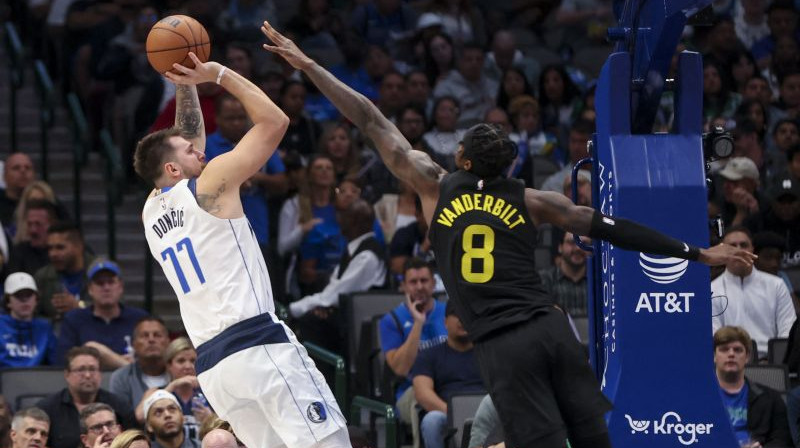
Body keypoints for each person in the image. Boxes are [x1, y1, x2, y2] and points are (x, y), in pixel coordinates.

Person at [260, 22, 757, 448]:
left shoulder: (431, 184)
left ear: (461, 161)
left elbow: (369, 117)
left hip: (501, 342)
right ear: (511, 165)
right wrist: (696, 251)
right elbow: (615, 229)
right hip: (550, 328)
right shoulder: (536, 201)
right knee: (594, 437)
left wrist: (308, 65)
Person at [134, 52, 349, 448]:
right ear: (173, 170)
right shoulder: (209, 184)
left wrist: (185, 79)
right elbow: (275, 122)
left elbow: (184, 136)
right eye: (190, 152)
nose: (202, 151)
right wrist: (215, 74)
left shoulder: (151, 209)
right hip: (258, 345)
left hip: (217, 369)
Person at [379, 259, 447, 426]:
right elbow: (401, 369)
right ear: (403, 286)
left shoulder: (449, 313)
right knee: (422, 405)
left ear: (433, 283)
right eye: (413, 282)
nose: (419, 287)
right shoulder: (391, 321)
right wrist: (418, 323)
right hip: (410, 390)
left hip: (450, 384)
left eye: (424, 281)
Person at [712, 227, 796, 358]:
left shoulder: (776, 285)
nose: (738, 250)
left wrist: (778, 361)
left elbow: (788, 330)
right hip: (729, 362)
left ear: (752, 250)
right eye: (732, 246)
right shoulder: (712, 290)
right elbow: (715, 335)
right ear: (723, 252)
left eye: (743, 245)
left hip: (771, 364)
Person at [411, 301, 485, 448]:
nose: (461, 319)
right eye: (455, 314)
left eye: (466, 314)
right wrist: (454, 412)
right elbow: (422, 393)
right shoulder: (429, 355)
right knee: (431, 421)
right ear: (445, 322)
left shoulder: (489, 354)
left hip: (484, 411)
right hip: (446, 412)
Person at [56, 259, 148, 369]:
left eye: (111, 282)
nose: (106, 288)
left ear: (120, 287)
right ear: (90, 289)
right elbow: (63, 360)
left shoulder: (139, 319)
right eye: (100, 283)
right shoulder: (73, 320)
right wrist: (122, 363)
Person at [36, 346, 135, 448]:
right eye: (81, 370)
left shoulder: (119, 405)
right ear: (67, 375)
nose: (87, 375)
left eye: (92, 369)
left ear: (100, 373)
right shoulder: (47, 409)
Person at [714, 326, 793, 447]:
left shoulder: (772, 399)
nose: (731, 354)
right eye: (724, 349)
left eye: (738, 350)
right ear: (714, 356)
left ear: (747, 357)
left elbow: (782, 440)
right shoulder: (699, 398)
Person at [34, 222, 94, 320]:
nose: (53, 254)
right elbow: (34, 316)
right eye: (50, 248)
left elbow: (116, 308)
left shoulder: (100, 272)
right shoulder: (43, 277)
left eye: (60, 247)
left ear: (79, 247)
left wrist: (79, 306)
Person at [109, 317, 171, 411]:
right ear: (134, 344)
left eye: (157, 335)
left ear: (168, 342)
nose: (151, 340)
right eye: (144, 336)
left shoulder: (180, 373)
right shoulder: (121, 377)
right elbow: (121, 418)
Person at [0, 272, 57, 367]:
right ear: (8, 301)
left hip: (36, 380)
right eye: (18, 295)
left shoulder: (45, 328)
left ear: (36, 299)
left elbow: (56, 364)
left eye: (29, 295)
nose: (25, 300)